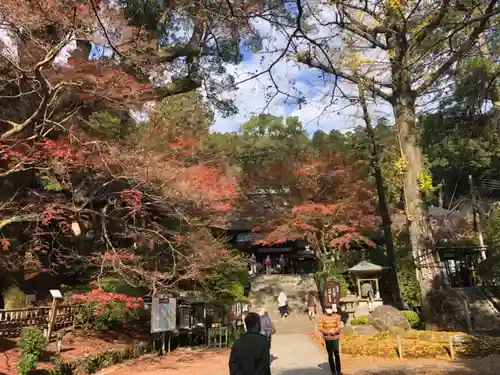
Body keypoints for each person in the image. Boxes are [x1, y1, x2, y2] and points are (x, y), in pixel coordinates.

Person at [317, 305, 344, 375]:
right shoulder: (322, 318)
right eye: (327, 308)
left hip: (335, 337)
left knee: (337, 353)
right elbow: (320, 327)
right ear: (325, 309)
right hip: (327, 338)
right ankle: (333, 371)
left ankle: (338, 370)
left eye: (330, 308)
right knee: (330, 354)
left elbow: (339, 326)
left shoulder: (337, 316)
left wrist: (334, 331)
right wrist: (327, 331)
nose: (329, 310)